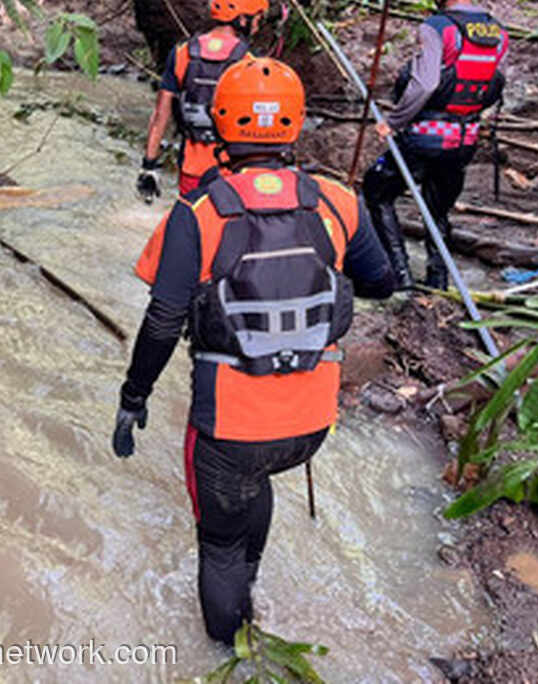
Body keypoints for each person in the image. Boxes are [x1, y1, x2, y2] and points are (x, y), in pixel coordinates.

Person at [112, 57, 396, 645]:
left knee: (219, 544)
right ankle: (251, 610)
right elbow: (382, 281)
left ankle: (230, 655)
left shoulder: (198, 213)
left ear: (219, 122)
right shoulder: (337, 201)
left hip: (230, 429)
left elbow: (164, 319)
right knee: (255, 486)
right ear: (294, 124)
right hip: (311, 425)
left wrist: (132, 398)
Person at [362, 0, 508, 290]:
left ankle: (400, 277)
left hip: (424, 136)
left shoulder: (436, 28)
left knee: (377, 189)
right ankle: (438, 280)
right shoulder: (498, 32)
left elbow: (425, 83)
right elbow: (493, 83)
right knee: (437, 207)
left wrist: (394, 121)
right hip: (465, 139)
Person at [137, 0, 268, 201]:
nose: (257, 24)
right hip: (231, 169)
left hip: (191, 167)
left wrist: (149, 165)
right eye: (256, 18)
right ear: (242, 18)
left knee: (193, 226)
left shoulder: (182, 53)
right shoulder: (248, 62)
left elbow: (161, 115)